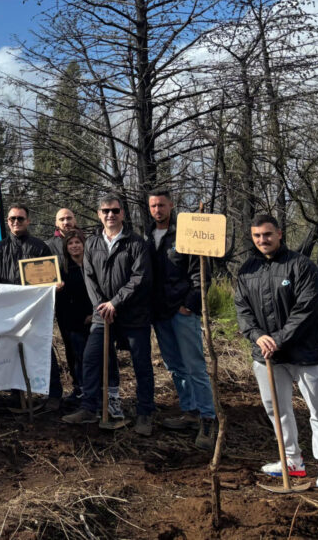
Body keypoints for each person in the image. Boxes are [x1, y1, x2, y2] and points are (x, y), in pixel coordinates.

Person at [235, 214, 318, 491]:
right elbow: (242, 311)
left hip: (305, 352)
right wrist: (258, 337)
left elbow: (308, 308)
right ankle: (292, 460)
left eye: (267, 234)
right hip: (267, 355)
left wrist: (278, 338)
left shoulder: (302, 266)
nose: (262, 240)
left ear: (279, 234)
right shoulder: (247, 271)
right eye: (256, 236)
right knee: (277, 410)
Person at [62, 195, 155, 435]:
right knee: (91, 359)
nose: (110, 215)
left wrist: (115, 303)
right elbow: (89, 276)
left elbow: (140, 278)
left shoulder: (136, 243)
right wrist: (101, 307)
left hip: (133, 315)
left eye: (115, 211)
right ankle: (89, 407)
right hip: (103, 316)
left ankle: (145, 413)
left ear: (122, 213)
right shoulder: (92, 243)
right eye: (105, 211)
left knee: (141, 365)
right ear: (98, 214)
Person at [147, 190, 216, 451]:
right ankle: (190, 411)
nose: (157, 210)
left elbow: (201, 273)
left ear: (171, 205)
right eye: (153, 205)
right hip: (159, 313)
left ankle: (208, 418)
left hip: (182, 312)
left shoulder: (186, 234)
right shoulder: (147, 237)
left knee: (195, 366)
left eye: (162, 205)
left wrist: (189, 305)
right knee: (175, 365)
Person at [0, 204, 64, 410]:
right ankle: (16, 394)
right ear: (7, 221)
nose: (16, 222)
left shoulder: (40, 247)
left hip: (35, 312)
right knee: (12, 352)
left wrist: (54, 285)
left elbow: (49, 279)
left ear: (28, 221)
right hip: (9, 313)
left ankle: (54, 394)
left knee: (43, 350)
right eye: (12, 219)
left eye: (20, 219)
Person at [56, 230, 120, 409]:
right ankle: (86, 394)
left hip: (97, 319)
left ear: (84, 244)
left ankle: (109, 397)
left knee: (105, 359)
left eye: (78, 242)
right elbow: (61, 302)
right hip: (74, 323)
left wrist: (95, 315)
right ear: (66, 247)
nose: (74, 246)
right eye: (70, 243)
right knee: (81, 359)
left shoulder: (94, 265)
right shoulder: (61, 271)